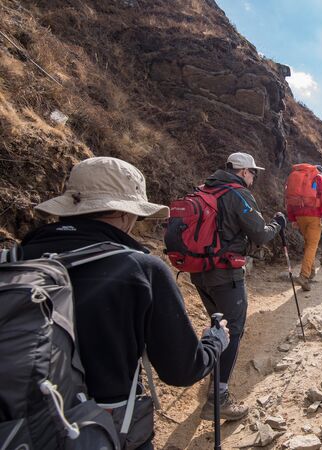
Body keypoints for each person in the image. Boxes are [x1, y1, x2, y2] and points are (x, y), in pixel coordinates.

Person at [21, 156, 230, 449]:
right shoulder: (140, 270)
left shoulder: (14, 262)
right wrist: (214, 343)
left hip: (18, 429)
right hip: (101, 431)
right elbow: (182, 370)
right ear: (123, 214)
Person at [190, 152, 285, 420]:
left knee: (217, 323)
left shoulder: (204, 189)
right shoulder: (237, 194)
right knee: (233, 329)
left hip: (199, 271)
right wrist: (278, 224)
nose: (255, 176)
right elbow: (260, 234)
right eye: (253, 172)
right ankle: (218, 399)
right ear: (243, 171)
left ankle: (210, 369)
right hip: (226, 274)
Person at [286, 164, 322, 290]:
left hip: (299, 215)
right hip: (314, 216)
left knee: (308, 243)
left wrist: (292, 218)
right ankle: (304, 276)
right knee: (312, 245)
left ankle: (311, 272)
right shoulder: (320, 178)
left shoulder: (296, 178)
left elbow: (288, 200)